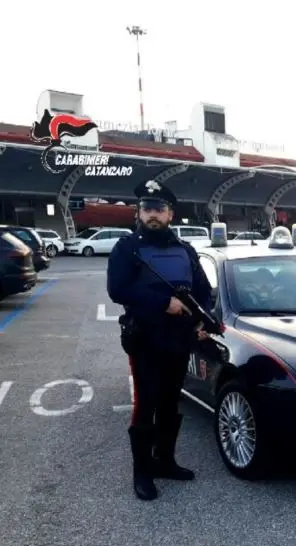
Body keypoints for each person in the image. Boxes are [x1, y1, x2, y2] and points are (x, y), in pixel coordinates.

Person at [107, 179, 214, 501]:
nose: (153, 214)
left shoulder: (185, 250)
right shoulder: (127, 248)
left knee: (170, 403)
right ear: (139, 213)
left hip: (179, 339)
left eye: (159, 209)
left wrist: (201, 320)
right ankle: (142, 472)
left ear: (171, 214)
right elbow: (118, 289)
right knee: (146, 405)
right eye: (147, 209)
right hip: (145, 339)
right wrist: (161, 303)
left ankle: (165, 461)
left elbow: (203, 291)